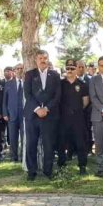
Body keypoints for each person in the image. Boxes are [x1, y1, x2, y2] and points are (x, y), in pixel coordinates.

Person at [23, 50, 61, 180]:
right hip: (32, 115)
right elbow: (27, 94)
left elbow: (57, 95)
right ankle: (31, 172)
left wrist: (47, 109)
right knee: (31, 144)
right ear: (36, 60)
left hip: (49, 116)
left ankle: (48, 171)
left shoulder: (55, 75)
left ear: (48, 59)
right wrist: (38, 108)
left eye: (45, 57)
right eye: (40, 58)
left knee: (48, 144)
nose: (43, 60)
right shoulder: (29, 74)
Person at [58, 62, 90, 174]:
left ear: (76, 70)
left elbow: (85, 101)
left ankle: (82, 166)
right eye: (68, 68)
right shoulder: (60, 84)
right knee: (61, 142)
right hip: (63, 118)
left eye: (72, 68)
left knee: (80, 142)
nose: (70, 70)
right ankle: (61, 165)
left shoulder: (82, 84)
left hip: (78, 118)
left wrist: (76, 110)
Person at [2, 63, 25, 162]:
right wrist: (5, 113)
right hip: (12, 115)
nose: (19, 70)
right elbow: (4, 100)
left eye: (21, 68)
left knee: (25, 137)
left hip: (24, 115)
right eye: (17, 69)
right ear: (14, 71)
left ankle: (24, 156)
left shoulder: (28, 82)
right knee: (12, 137)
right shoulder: (8, 84)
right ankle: (14, 157)